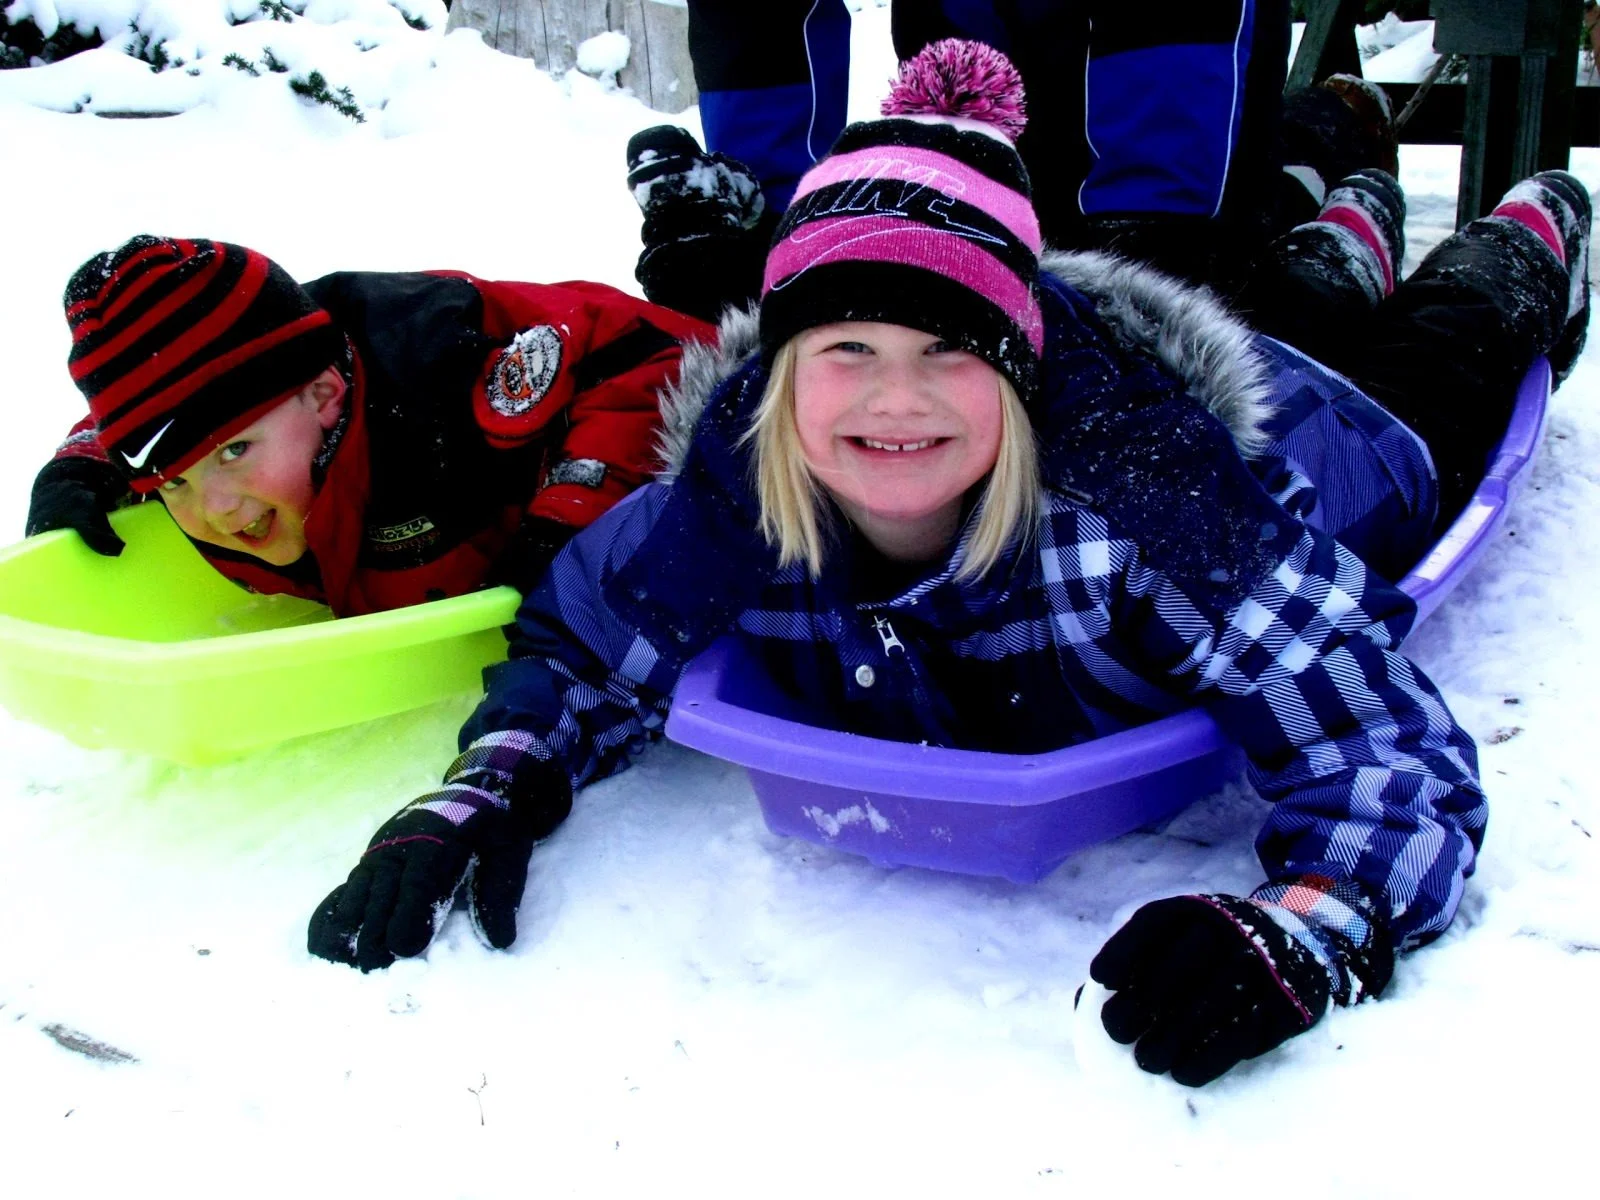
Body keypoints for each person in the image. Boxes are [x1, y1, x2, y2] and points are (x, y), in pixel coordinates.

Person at [306, 42, 1590, 1088]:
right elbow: (588, 639)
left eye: (950, 351)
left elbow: (1375, 744)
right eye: (845, 351)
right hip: (1191, 354)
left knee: (1447, 336)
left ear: (1023, 374)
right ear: (780, 371)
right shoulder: (744, 480)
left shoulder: (1155, 499)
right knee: (1304, 279)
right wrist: (486, 790)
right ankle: (1348, 221)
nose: (894, 401)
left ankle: (1527, 224)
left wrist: (1313, 923)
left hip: (1338, 440)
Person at [24, 238, 714, 616]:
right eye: (174, 481)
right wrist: (83, 461)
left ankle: (704, 245)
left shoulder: (445, 363)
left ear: (324, 394)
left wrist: (573, 516)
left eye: (234, 451)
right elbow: (159, 425)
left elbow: (652, 355)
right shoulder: (235, 435)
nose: (218, 507)